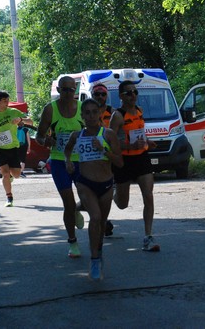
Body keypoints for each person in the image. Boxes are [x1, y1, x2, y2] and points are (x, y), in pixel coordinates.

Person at [64, 98, 123, 280]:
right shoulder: (77, 135)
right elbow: (67, 151)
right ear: (82, 116)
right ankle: (95, 260)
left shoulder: (108, 134)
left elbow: (120, 162)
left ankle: (98, 251)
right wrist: (68, 162)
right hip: (85, 182)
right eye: (87, 113)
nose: (90, 116)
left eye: (94, 112)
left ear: (99, 114)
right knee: (95, 218)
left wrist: (104, 149)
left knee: (102, 224)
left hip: (105, 184)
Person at [36, 76, 85, 258]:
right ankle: (72, 242)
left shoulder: (82, 108)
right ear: (58, 89)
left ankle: (76, 210)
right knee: (68, 202)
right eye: (64, 89)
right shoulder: (50, 110)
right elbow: (39, 136)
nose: (68, 93)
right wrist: (45, 141)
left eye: (71, 90)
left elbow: (96, 129)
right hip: (59, 161)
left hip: (81, 160)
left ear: (76, 90)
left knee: (86, 199)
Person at [109, 80, 160, 252]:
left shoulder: (139, 111)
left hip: (142, 158)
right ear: (121, 96)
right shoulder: (118, 116)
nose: (133, 96)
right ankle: (114, 192)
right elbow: (110, 141)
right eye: (129, 93)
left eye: (135, 92)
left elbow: (139, 134)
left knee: (149, 195)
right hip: (124, 161)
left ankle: (148, 236)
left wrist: (147, 142)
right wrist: (129, 147)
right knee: (122, 204)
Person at [75, 83, 115, 236]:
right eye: (97, 94)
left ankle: (80, 209)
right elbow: (75, 139)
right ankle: (100, 225)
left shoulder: (113, 113)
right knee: (96, 210)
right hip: (88, 166)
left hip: (108, 163)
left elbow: (117, 135)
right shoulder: (86, 113)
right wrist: (68, 160)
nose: (100, 97)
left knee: (115, 202)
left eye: (103, 94)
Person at [0, 91, 32, 207]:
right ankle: (9, 198)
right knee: (4, 174)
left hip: (13, 147)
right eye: (4, 101)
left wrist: (20, 120)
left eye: (8, 100)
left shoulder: (13, 112)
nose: (7, 103)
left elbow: (30, 121)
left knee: (17, 174)